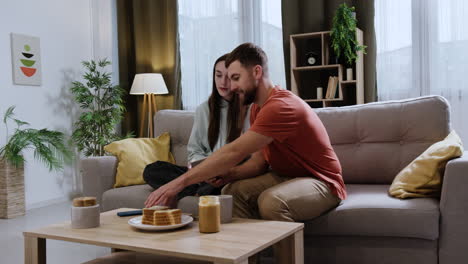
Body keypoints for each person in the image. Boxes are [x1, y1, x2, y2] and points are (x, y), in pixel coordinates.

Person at [144, 43, 346, 220]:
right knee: (233, 191)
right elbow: (258, 163)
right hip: (284, 176)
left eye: (235, 78)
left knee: (271, 201)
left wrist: (177, 184)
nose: (230, 87)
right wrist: (229, 175)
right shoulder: (258, 107)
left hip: (322, 182)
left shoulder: (280, 106)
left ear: (256, 72)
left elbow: (234, 152)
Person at [144, 54, 250, 207]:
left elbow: (246, 154)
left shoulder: (248, 108)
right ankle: (198, 189)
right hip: (202, 173)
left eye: (228, 77)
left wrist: (217, 171)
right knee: (152, 170)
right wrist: (203, 170)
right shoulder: (204, 109)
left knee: (223, 183)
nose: (223, 82)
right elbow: (194, 150)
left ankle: (197, 189)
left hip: (227, 173)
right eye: (218, 75)